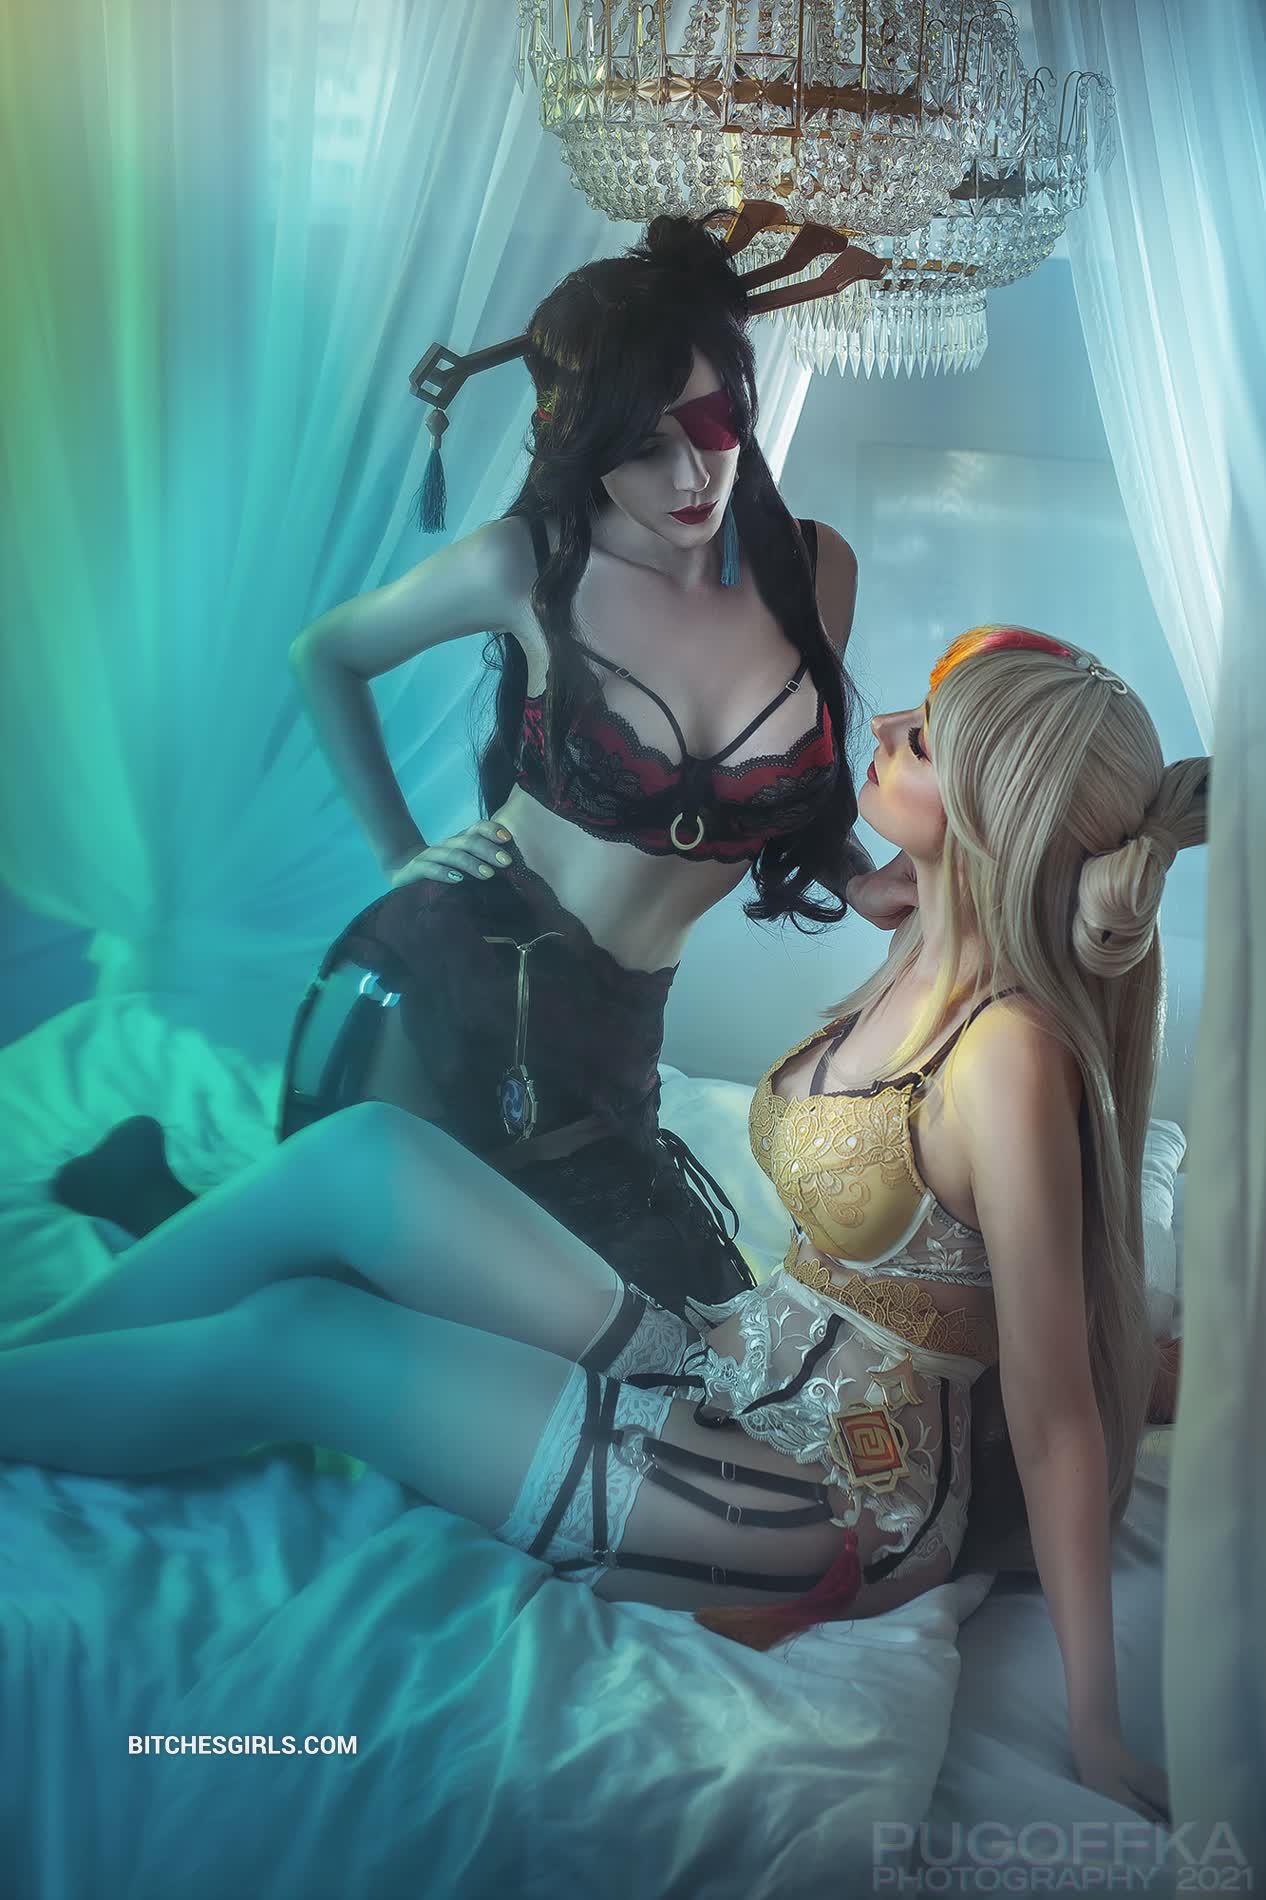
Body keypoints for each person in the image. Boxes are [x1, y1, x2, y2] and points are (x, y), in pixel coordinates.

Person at [8, 625, 1204, 1818]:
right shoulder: (917, 936)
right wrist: (908, 877)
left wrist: (1094, 1728)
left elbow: (1054, 1417)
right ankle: (28, 1359)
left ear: (994, 817)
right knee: (362, 1156)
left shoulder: (1010, 1058)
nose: (884, 727)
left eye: (925, 740)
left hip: (837, 1501)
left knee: (304, 1339)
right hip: (735, 1359)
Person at [52, 204, 902, 1313]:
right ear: (580, 445)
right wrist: (399, 853)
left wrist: (869, 881)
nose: (694, 471)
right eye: (641, 445)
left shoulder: (814, 571)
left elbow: (793, 797)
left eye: (713, 418)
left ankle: (167, 1192)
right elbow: (326, 656)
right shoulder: (529, 564)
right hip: (444, 982)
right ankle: (154, 1196)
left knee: (680, 1336)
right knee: (342, 1304)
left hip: (615, 1045)